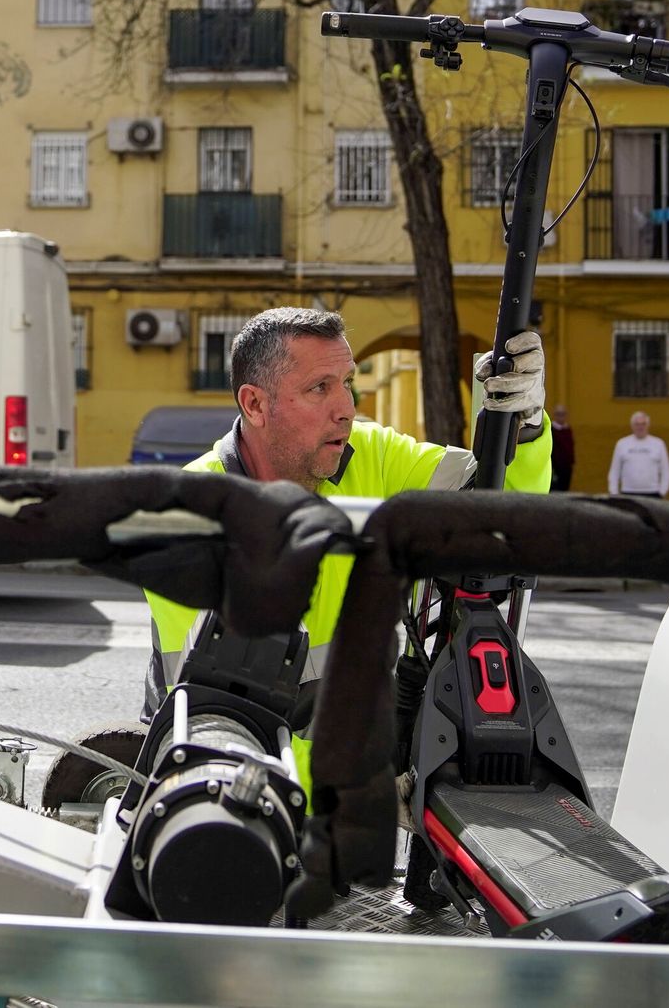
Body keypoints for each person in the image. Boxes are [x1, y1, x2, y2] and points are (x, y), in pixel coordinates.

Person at [142, 307, 552, 782]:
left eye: (347, 382)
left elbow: (500, 516)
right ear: (254, 405)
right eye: (320, 388)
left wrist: (526, 427)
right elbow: (238, 724)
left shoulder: (370, 454)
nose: (346, 407)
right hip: (234, 799)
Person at [607, 410, 669, 498]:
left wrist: (662, 492)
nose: (640, 427)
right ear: (632, 426)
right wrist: (614, 493)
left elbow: (666, 471)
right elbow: (614, 471)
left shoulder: (658, 444)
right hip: (627, 493)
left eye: (643, 424)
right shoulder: (622, 444)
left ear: (648, 425)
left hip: (653, 493)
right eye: (637, 424)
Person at [549, 403, 575, 491]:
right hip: (554, 468)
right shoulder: (551, 430)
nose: (561, 417)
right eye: (558, 414)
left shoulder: (568, 429)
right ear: (554, 415)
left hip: (566, 467)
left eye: (563, 414)